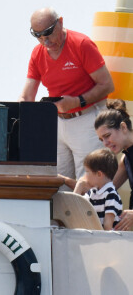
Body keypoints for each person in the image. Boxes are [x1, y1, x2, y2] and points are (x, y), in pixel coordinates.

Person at [18, 7, 114, 185]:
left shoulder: (81, 44)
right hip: (57, 124)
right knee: (58, 185)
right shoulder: (37, 53)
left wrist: (78, 101)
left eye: (48, 33)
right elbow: (26, 97)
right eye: (38, 36)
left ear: (60, 22)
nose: (45, 41)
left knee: (90, 184)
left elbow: (107, 85)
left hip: (87, 121)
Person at [60, 99, 133, 231]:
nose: (105, 143)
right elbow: (98, 187)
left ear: (123, 127)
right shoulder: (125, 160)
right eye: (101, 139)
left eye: (107, 135)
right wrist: (63, 180)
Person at [73, 148, 122, 230]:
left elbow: (108, 225)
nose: (84, 175)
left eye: (87, 171)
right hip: (95, 236)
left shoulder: (111, 194)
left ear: (99, 174)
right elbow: (73, 207)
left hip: (106, 239)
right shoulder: (92, 192)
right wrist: (79, 186)